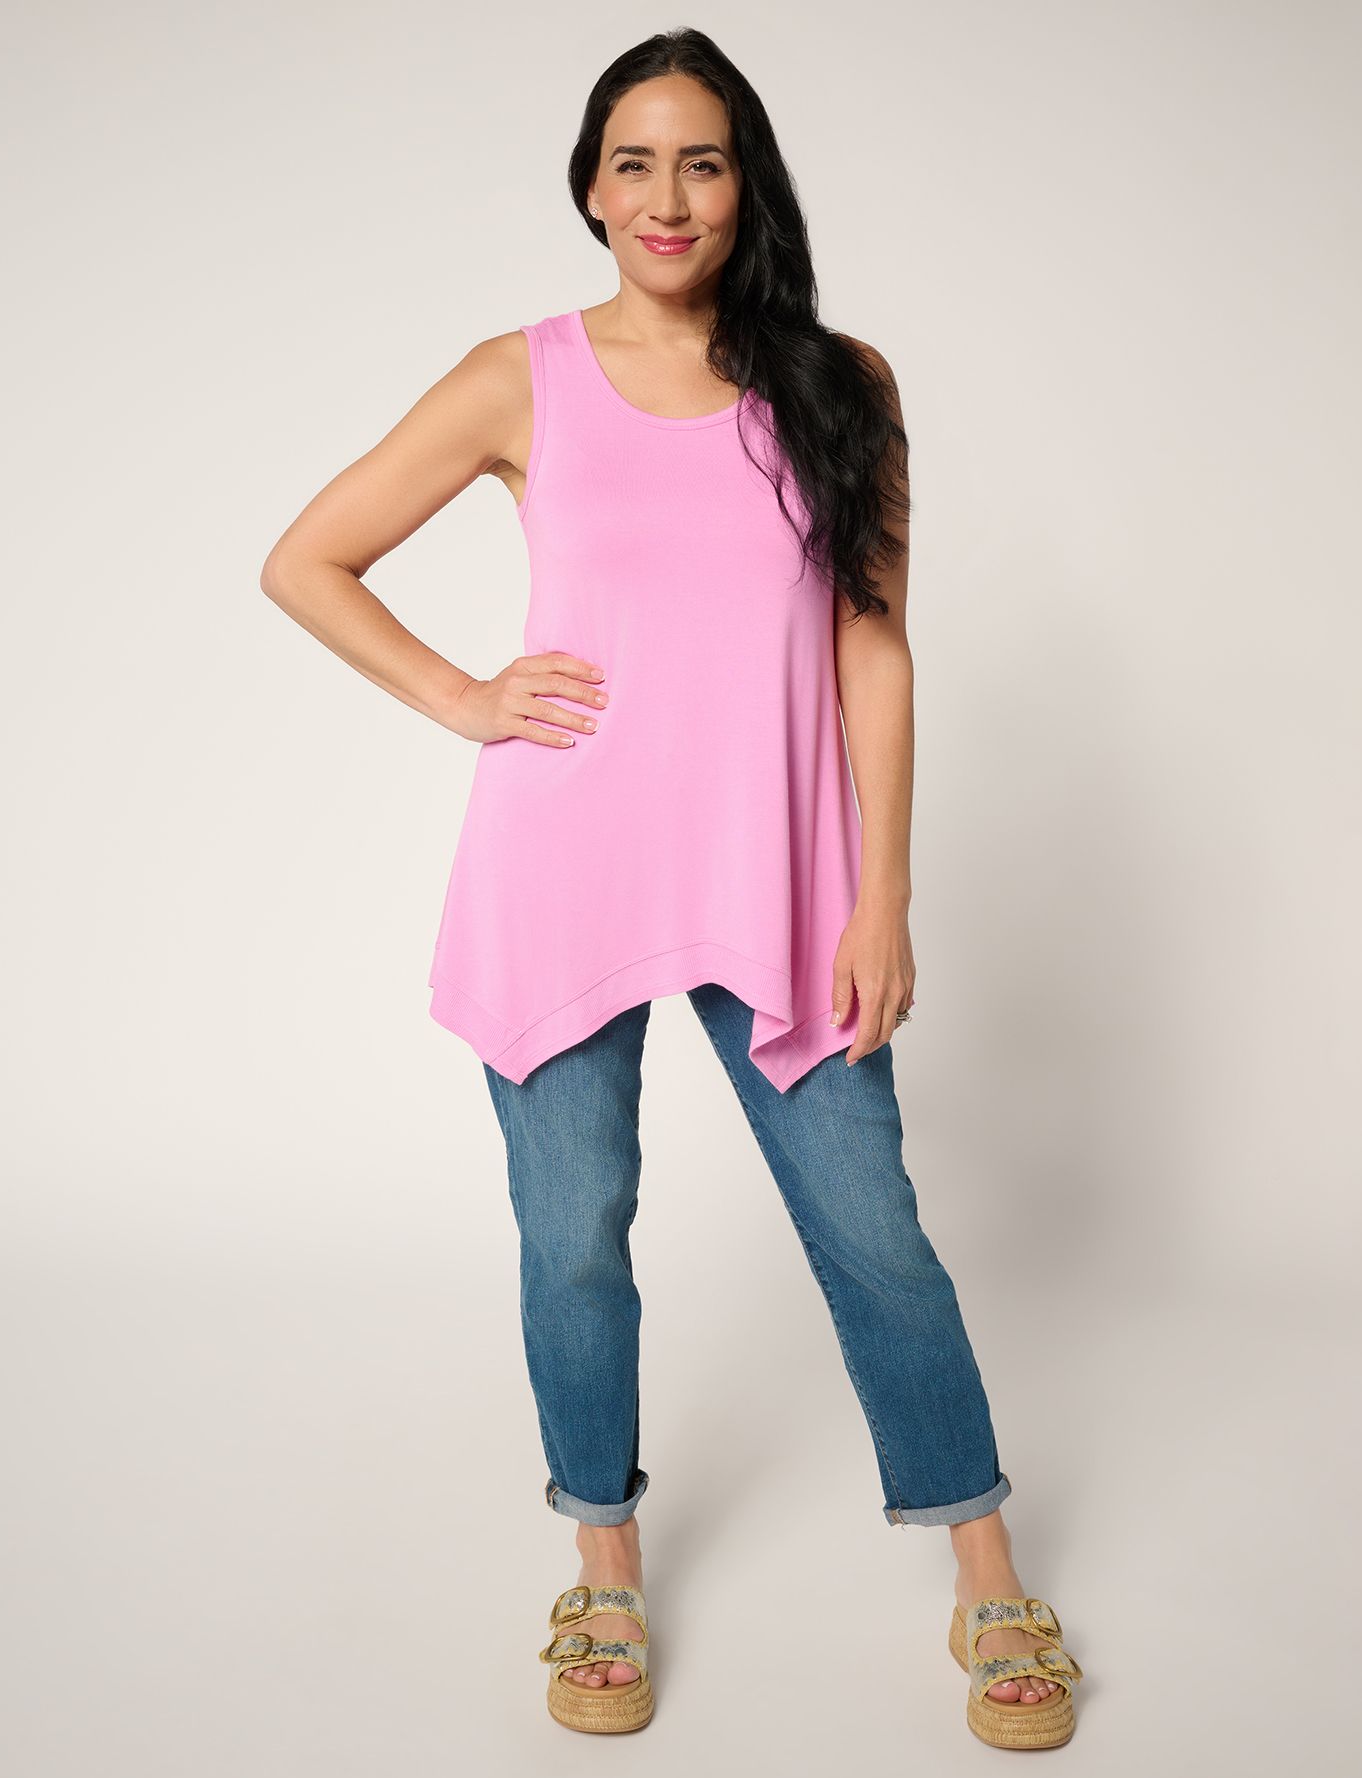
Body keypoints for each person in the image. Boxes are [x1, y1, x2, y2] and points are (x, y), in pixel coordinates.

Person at [259, 27, 1083, 1751]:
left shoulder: (842, 382)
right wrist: (466, 696)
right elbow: (306, 558)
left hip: (782, 876)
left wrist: (883, 890)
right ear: (588, 187)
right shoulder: (519, 377)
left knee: (875, 1231)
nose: (666, 195)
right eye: (631, 162)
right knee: (572, 1240)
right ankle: (604, 1565)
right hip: (562, 866)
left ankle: (986, 1569)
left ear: (745, 180)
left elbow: (873, 647)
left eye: (700, 160)